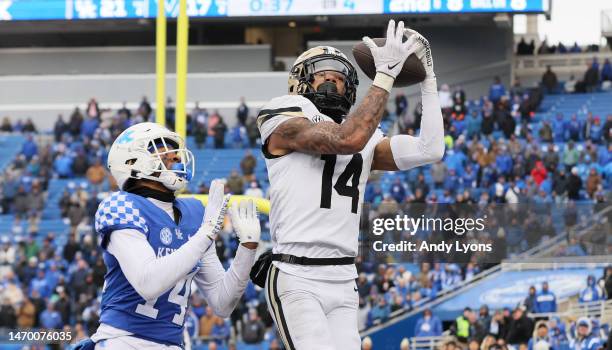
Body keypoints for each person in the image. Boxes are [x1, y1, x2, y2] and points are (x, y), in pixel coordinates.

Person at [256, 20, 444, 350]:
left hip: (344, 277)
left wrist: (428, 83)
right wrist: (385, 76)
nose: (332, 82)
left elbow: (432, 149)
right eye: (322, 75)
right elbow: (347, 139)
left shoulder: (367, 134)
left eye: (340, 78)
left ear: (351, 89)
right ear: (300, 82)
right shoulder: (282, 114)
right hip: (297, 273)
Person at [85, 122, 261, 349]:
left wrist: (247, 249)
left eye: (175, 150)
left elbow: (222, 303)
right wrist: (206, 233)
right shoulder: (121, 205)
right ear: (132, 160)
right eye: (163, 148)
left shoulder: (194, 212)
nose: (176, 156)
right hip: (124, 341)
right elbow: (148, 282)